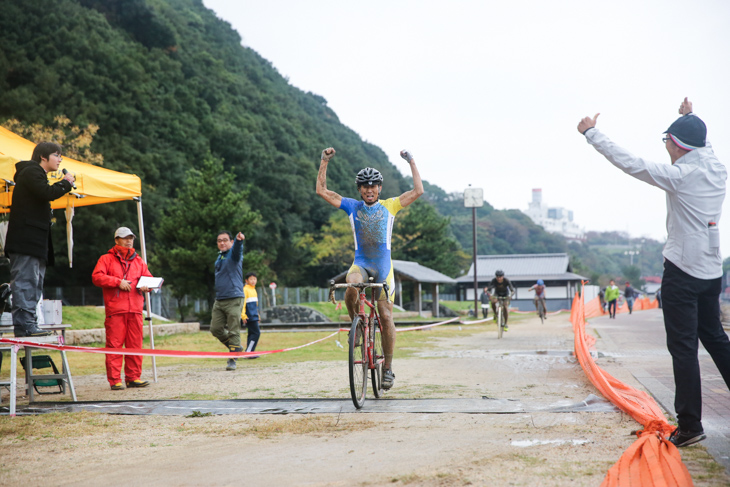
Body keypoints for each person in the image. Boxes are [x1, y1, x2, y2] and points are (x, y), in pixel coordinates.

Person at [578, 97, 730, 447]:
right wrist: (689, 117)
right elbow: (703, 142)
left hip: (681, 270)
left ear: (677, 146)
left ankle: (690, 426)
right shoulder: (716, 167)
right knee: (716, 337)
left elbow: (631, 163)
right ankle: (692, 422)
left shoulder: (680, 175)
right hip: (711, 269)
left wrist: (592, 133)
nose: (665, 149)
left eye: (667, 143)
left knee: (683, 348)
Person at [316, 147, 424, 391]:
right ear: (359, 190)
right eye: (364, 186)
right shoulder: (352, 206)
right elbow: (321, 191)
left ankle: (388, 369)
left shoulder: (390, 206)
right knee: (352, 285)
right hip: (362, 262)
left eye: (373, 185)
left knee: (386, 316)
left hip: (384, 267)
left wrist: (411, 161)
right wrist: (324, 161)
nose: (369, 189)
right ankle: (357, 327)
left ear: (379, 188)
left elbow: (418, 191)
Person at [5, 142, 75, 337]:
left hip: (35, 243)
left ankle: (30, 322)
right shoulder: (31, 172)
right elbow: (47, 193)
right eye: (57, 155)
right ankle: (24, 324)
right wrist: (66, 183)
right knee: (25, 282)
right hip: (26, 241)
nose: (60, 159)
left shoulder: (36, 175)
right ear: (43, 157)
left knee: (34, 283)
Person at [91, 227, 152, 390]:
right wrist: (118, 282)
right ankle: (115, 380)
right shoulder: (106, 259)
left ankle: (133, 378)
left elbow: (149, 279)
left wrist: (147, 287)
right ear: (116, 240)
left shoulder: (139, 261)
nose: (129, 240)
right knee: (114, 345)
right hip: (116, 311)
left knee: (135, 345)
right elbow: (97, 277)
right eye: (125, 238)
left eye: (131, 237)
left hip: (136, 310)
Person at [212, 230, 246, 371]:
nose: (222, 242)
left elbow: (237, 251)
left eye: (225, 240)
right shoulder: (220, 257)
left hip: (234, 298)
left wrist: (239, 242)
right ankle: (236, 347)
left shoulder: (233, 255)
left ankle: (232, 359)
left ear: (231, 242)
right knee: (215, 329)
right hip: (220, 299)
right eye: (219, 240)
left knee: (233, 330)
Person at [241, 272, 261, 357]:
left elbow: (255, 305)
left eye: (255, 279)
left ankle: (250, 351)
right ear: (246, 280)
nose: (253, 281)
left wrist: (258, 315)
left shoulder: (253, 289)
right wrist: (243, 315)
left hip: (254, 315)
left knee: (252, 333)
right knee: (256, 333)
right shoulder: (245, 289)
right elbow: (242, 304)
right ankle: (249, 352)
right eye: (251, 279)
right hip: (249, 316)